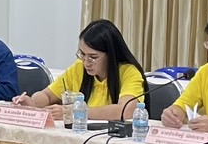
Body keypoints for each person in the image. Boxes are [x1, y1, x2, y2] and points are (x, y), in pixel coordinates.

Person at [15, 19, 146, 119]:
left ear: (111, 55)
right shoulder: (79, 68)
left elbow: (126, 110)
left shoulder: (129, 72)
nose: (86, 62)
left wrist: (76, 112)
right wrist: (33, 102)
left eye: (93, 57)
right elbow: (47, 95)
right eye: (82, 54)